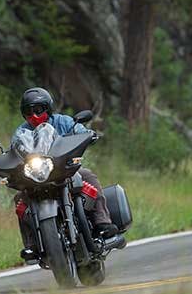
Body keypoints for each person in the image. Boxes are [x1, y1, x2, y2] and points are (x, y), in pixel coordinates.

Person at [14, 87, 118, 262]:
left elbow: (79, 130)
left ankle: (103, 223)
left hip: (64, 169)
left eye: (38, 109)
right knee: (19, 198)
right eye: (28, 111)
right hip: (37, 175)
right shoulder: (21, 132)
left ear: (47, 108)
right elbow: (14, 149)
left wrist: (88, 134)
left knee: (88, 176)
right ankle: (31, 245)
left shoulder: (62, 121)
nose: (34, 115)